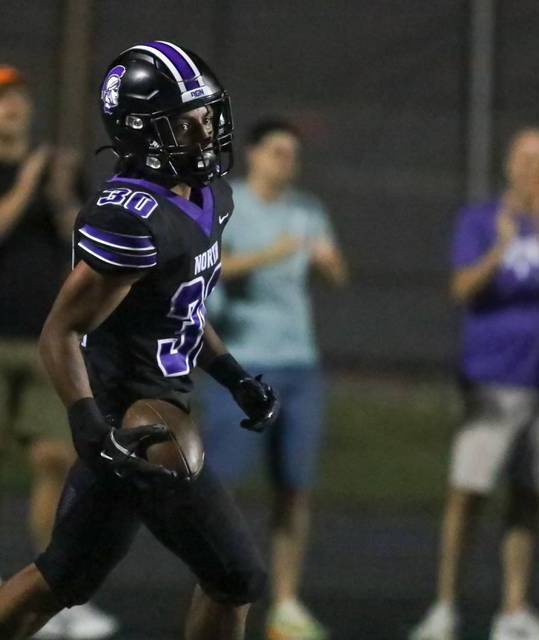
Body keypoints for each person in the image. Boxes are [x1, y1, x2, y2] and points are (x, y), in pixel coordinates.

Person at [0, 41, 279, 640]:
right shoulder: (131, 218)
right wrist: (89, 424)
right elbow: (62, 331)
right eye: (190, 122)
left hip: (152, 410)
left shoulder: (208, 197)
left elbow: (178, 310)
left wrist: (233, 375)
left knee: (62, 578)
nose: (208, 131)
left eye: (209, 115)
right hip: (134, 425)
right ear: (143, 132)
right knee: (236, 576)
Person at [0, 64, 116, 638]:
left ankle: (56, 588)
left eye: (18, 97)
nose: (11, 106)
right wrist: (22, 188)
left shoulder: (60, 170)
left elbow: (92, 246)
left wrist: (60, 197)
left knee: (58, 459)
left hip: (48, 337)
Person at [410, 128, 539, 640]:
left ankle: (513, 611)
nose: (534, 169)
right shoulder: (480, 219)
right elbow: (460, 289)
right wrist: (499, 250)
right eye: (526, 158)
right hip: (492, 382)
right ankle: (445, 607)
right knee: (469, 493)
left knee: (529, 497)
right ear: (508, 164)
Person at [200, 119, 347, 640]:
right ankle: (218, 590)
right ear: (255, 155)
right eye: (278, 152)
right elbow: (209, 268)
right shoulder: (228, 204)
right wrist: (272, 254)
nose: (288, 162)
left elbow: (336, 272)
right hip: (242, 366)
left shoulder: (308, 211)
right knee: (222, 486)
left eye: (294, 154)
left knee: (294, 488)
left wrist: (327, 263)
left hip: (299, 362)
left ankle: (285, 603)